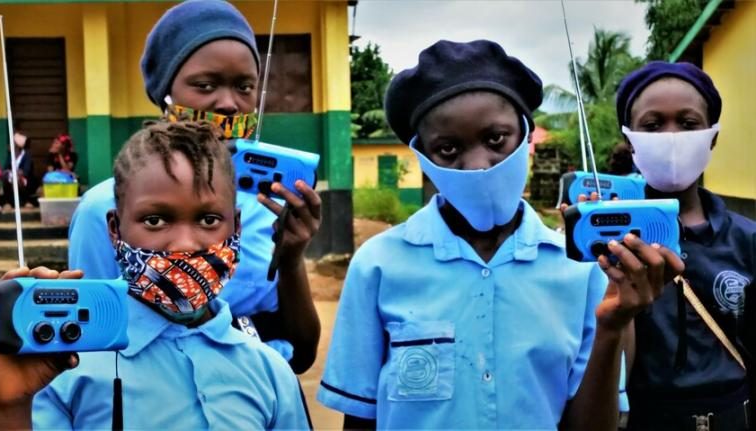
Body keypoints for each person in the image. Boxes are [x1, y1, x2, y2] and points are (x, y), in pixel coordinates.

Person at [317, 40, 683, 429]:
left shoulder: (580, 270)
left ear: (525, 137)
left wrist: (612, 327)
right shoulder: (378, 265)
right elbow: (359, 420)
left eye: (496, 139)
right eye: (447, 148)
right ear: (422, 157)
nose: (477, 164)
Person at [0, 121, 311, 429]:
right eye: (156, 220)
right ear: (115, 230)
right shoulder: (62, 370)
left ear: (236, 227)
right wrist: (8, 408)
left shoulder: (270, 373)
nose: (185, 244)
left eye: (209, 219)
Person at [67, 0, 320, 373]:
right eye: (206, 85)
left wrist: (292, 258)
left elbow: (300, 354)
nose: (229, 104)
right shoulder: (104, 207)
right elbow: (90, 345)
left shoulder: (266, 205)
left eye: (245, 86)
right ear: (164, 94)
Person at [615, 61, 756, 430]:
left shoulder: (748, 239)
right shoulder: (610, 243)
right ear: (630, 139)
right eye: (653, 124)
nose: (671, 135)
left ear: (712, 136)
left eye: (689, 123)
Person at [0, 129, 35, 209]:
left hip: (24, 179)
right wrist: (8, 172)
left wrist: (18, 173)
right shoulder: (10, 155)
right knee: (7, 178)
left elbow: (26, 171)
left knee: (17, 179)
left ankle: (25, 201)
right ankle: (8, 202)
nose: (9, 145)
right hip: (11, 177)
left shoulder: (26, 155)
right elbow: (6, 168)